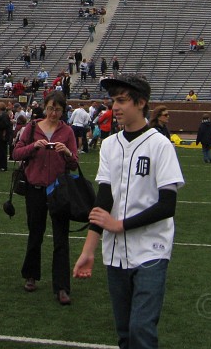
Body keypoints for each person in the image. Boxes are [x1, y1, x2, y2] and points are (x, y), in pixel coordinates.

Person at [73, 74, 184, 348]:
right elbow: (103, 199)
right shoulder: (110, 145)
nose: (115, 107)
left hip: (151, 249)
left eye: (122, 100)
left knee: (141, 330)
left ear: (141, 102)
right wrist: (88, 250)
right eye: (113, 100)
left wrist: (119, 224)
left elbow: (167, 205)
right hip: (115, 252)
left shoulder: (160, 145)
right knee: (124, 332)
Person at [12, 91, 79, 305]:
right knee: (35, 233)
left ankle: (62, 287)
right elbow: (16, 153)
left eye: (57, 109)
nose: (53, 113)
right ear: (44, 107)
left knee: (61, 238)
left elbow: (74, 163)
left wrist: (66, 152)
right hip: (35, 188)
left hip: (58, 190)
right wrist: (34, 146)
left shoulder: (67, 131)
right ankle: (30, 275)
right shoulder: (32, 127)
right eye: (50, 108)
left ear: (63, 110)